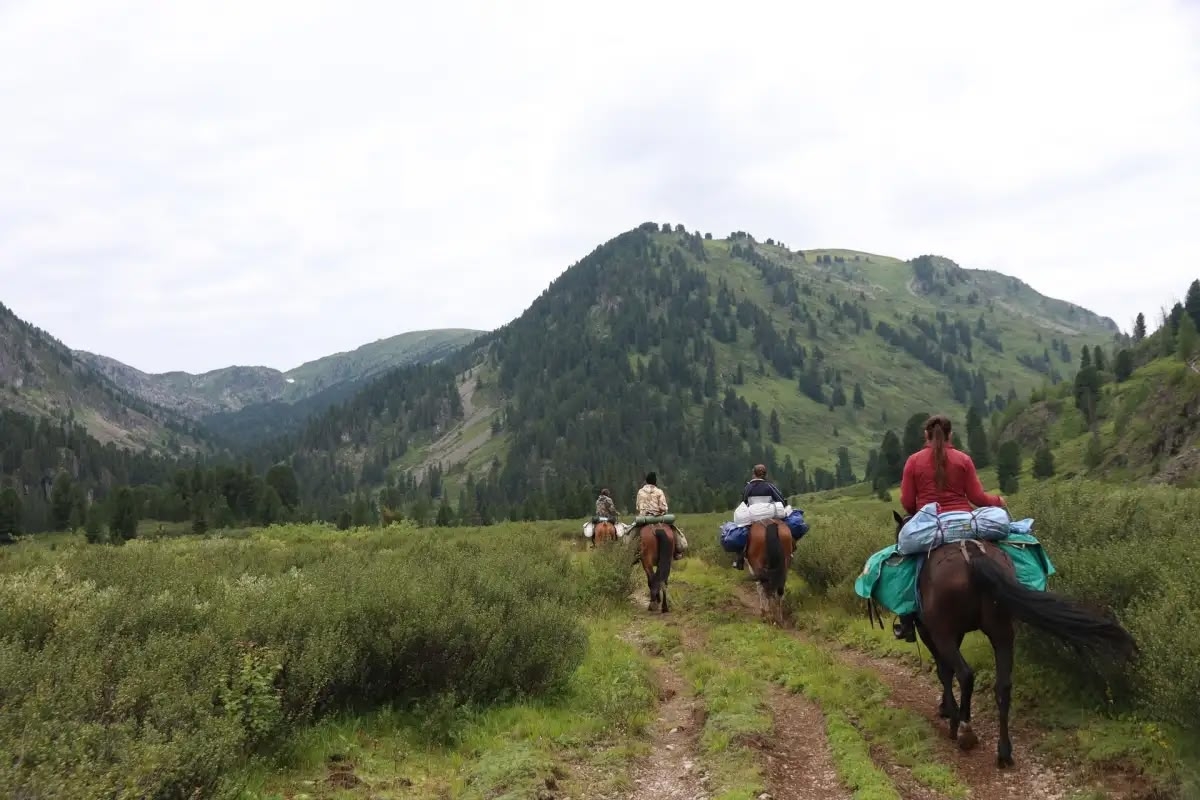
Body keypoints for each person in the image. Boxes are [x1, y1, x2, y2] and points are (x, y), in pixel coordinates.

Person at [893, 414, 1006, 642]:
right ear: (950, 435)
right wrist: (998, 501)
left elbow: (906, 502)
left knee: (903, 562)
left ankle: (906, 620)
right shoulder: (963, 459)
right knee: (1005, 547)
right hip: (966, 523)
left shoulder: (914, 461)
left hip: (930, 526)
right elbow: (976, 496)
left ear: (926, 435)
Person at [733, 464, 787, 570]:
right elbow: (781, 500)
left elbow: (744, 503)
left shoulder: (748, 487)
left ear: (754, 474)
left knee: (743, 532)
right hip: (770, 512)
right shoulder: (770, 486)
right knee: (786, 525)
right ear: (765, 475)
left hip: (753, 515)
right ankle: (790, 550)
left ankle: (739, 558)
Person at [635, 471, 687, 559]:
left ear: (646, 481)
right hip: (658, 518)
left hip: (643, 518)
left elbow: (638, 506)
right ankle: (677, 552)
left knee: (632, 533)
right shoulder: (659, 491)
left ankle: (633, 553)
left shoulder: (640, 492)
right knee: (674, 531)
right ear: (655, 481)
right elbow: (664, 508)